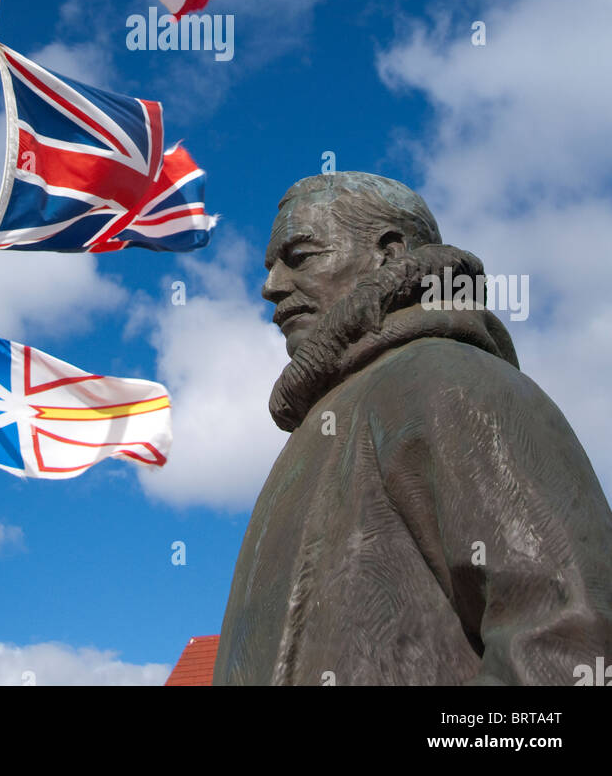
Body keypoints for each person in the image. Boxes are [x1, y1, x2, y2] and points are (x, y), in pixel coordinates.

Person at [212, 172, 612, 686]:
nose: (272, 287)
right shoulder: (321, 428)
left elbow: (571, 643)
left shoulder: (446, 378)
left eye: (300, 256)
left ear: (390, 253)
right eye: (271, 268)